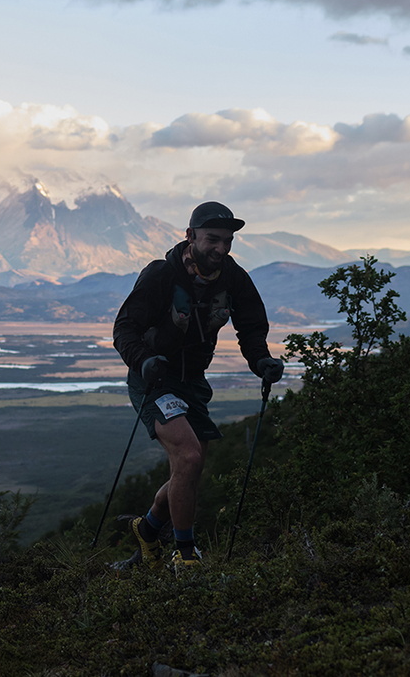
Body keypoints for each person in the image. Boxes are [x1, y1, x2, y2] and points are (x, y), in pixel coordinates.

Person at [112, 201, 284, 570]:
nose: (221, 248)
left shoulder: (233, 278)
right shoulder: (162, 275)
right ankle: (186, 554)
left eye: (227, 241)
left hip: (193, 382)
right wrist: (144, 360)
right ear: (190, 235)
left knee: (188, 469)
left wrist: (261, 362)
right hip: (154, 379)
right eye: (213, 239)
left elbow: (251, 328)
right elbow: (124, 328)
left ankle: (147, 529)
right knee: (189, 457)